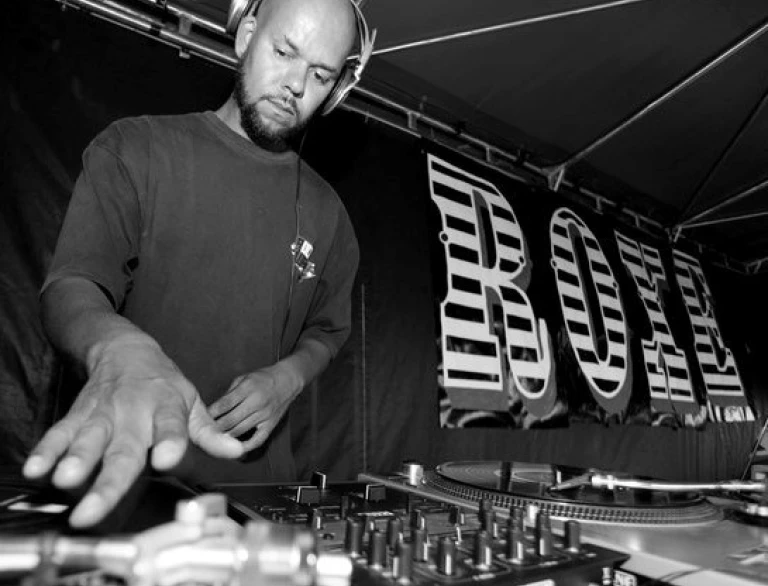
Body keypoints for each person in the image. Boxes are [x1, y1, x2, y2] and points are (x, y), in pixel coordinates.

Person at [22, 0, 369, 528]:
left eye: (320, 75)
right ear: (246, 35)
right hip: (128, 485)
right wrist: (118, 347)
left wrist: (289, 377)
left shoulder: (330, 216)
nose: (295, 85)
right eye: (283, 52)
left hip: (256, 501)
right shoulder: (134, 148)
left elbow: (327, 331)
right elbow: (72, 285)